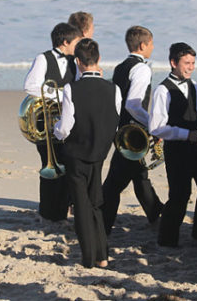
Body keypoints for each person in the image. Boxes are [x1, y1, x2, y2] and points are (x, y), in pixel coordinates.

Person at [54, 38, 121, 268]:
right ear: (99, 59)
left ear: (78, 61)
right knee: (95, 204)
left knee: (81, 207)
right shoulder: (114, 89)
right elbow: (113, 121)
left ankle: (88, 258)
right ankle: (103, 256)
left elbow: (65, 128)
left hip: (76, 154)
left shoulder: (72, 88)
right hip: (100, 153)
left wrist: (55, 130)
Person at [149, 42, 197, 247]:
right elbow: (156, 127)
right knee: (180, 195)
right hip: (176, 149)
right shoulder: (162, 90)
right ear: (173, 63)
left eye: (193, 63)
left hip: (195, 146)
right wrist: (186, 134)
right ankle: (167, 239)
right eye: (186, 63)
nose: (190, 67)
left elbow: (196, 113)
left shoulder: (193, 85)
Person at [101, 25, 163, 235]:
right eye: (152, 43)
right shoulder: (142, 69)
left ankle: (156, 213)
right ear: (143, 45)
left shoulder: (120, 67)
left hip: (121, 130)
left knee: (139, 174)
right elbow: (133, 105)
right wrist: (153, 125)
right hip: (133, 133)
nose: (153, 47)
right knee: (115, 183)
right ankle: (103, 222)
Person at [23, 22, 82, 221]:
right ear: (65, 42)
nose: (79, 46)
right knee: (50, 166)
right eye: (76, 42)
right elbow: (31, 86)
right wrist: (61, 93)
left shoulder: (75, 61)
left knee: (67, 165)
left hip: (66, 121)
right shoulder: (43, 58)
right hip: (46, 123)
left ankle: (62, 209)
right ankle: (48, 211)